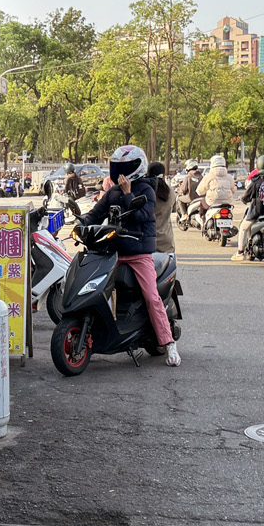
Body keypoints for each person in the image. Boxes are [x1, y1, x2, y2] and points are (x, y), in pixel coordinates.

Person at [82, 145, 180, 366]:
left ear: (137, 167)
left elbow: (143, 216)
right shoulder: (112, 192)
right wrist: (83, 225)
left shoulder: (146, 189)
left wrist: (128, 194)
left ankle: (169, 343)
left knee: (152, 297)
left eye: (125, 167)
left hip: (138, 252)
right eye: (117, 167)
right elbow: (96, 213)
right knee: (94, 288)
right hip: (113, 250)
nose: (120, 172)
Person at [147, 161, 176, 254]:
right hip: (166, 241)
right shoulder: (170, 191)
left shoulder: (146, 192)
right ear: (163, 175)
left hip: (148, 241)